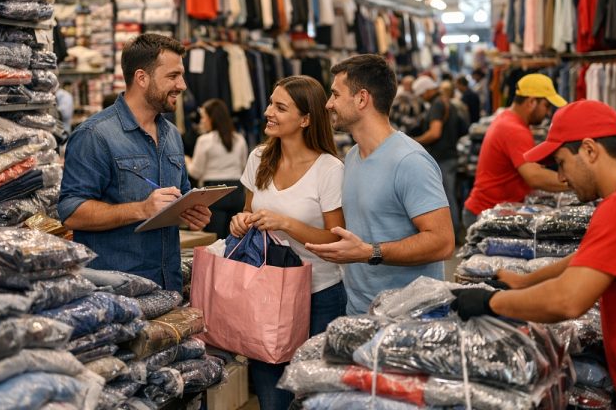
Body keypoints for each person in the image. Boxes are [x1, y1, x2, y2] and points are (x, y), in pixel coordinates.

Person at [451, 100, 616, 409]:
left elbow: (568, 300)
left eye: (561, 163)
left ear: (589, 150)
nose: (561, 179)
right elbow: (587, 257)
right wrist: (526, 282)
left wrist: (490, 303)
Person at [229, 75, 347, 410]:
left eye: (280, 107)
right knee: (273, 398)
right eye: (270, 103)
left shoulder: (329, 169)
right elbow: (247, 215)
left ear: (306, 118)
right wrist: (240, 222)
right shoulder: (259, 157)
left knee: (315, 397)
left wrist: (288, 224)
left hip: (319, 295)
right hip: (267, 294)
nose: (268, 112)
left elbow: (335, 240)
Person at [58, 34, 211, 291]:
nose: (182, 85)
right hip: (117, 292)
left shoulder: (171, 134)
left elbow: (179, 195)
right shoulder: (95, 135)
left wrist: (189, 211)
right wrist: (141, 209)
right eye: (173, 76)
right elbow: (72, 213)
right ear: (142, 78)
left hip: (167, 284)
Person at [306, 54, 455, 315]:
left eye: (335, 95)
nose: (329, 104)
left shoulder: (410, 161)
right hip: (360, 311)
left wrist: (369, 252)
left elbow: (443, 242)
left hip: (409, 318)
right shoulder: (352, 156)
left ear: (362, 98)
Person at [462, 73, 569, 229]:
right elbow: (535, 177)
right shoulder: (514, 129)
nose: (548, 113)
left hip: (488, 211)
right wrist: (577, 181)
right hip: (486, 214)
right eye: (546, 105)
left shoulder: (507, 119)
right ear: (532, 102)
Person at [185, 99, 248, 239]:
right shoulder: (239, 139)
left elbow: (196, 172)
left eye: (204, 117)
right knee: (234, 239)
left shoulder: (204, 140)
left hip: (214, 192)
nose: (202, 121)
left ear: (211, 118)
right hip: (237, 191)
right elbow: (244, 167)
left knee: (214, 241)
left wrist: (187, 161)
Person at [413, 79, 466, 240]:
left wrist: (413, 141)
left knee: (446, 197)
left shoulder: (437, 105)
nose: (422, 97)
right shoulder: (448, 102)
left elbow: (435, 132)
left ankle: (451, 235)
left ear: (428, 90)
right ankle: (454, 232)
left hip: (442, 157)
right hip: (450, 154)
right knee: (449, 194)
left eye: (422, 94)